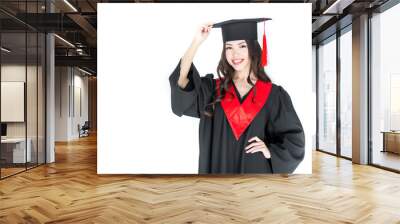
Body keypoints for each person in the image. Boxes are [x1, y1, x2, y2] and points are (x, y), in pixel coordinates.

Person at [168, 18, 305, 174]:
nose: (235, 54)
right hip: (218, 174)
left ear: (253, 49)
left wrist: (270, 151)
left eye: (242, 46)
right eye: (229, 47)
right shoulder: (213, 90)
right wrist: (196, 41)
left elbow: (294, 141)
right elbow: (181, 80)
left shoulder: (274, 95)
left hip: (256, 177)